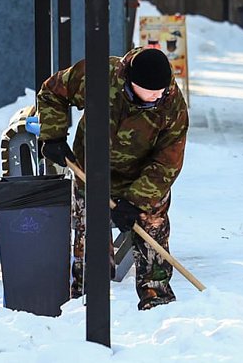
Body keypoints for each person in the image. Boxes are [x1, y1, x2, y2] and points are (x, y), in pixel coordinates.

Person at [37, 47, 189, 311]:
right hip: (92, 171)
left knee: (151, 230)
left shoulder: (172, 105)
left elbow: (168, 161)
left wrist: (135, 201)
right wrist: (54, 136)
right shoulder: (99, 76)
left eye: (160, 91)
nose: (157, 95)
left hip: (143, 177)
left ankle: (157, 298)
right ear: (130, 81)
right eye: (150, 91)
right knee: (89, 231)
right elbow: (52, 91)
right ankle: (86, 298)